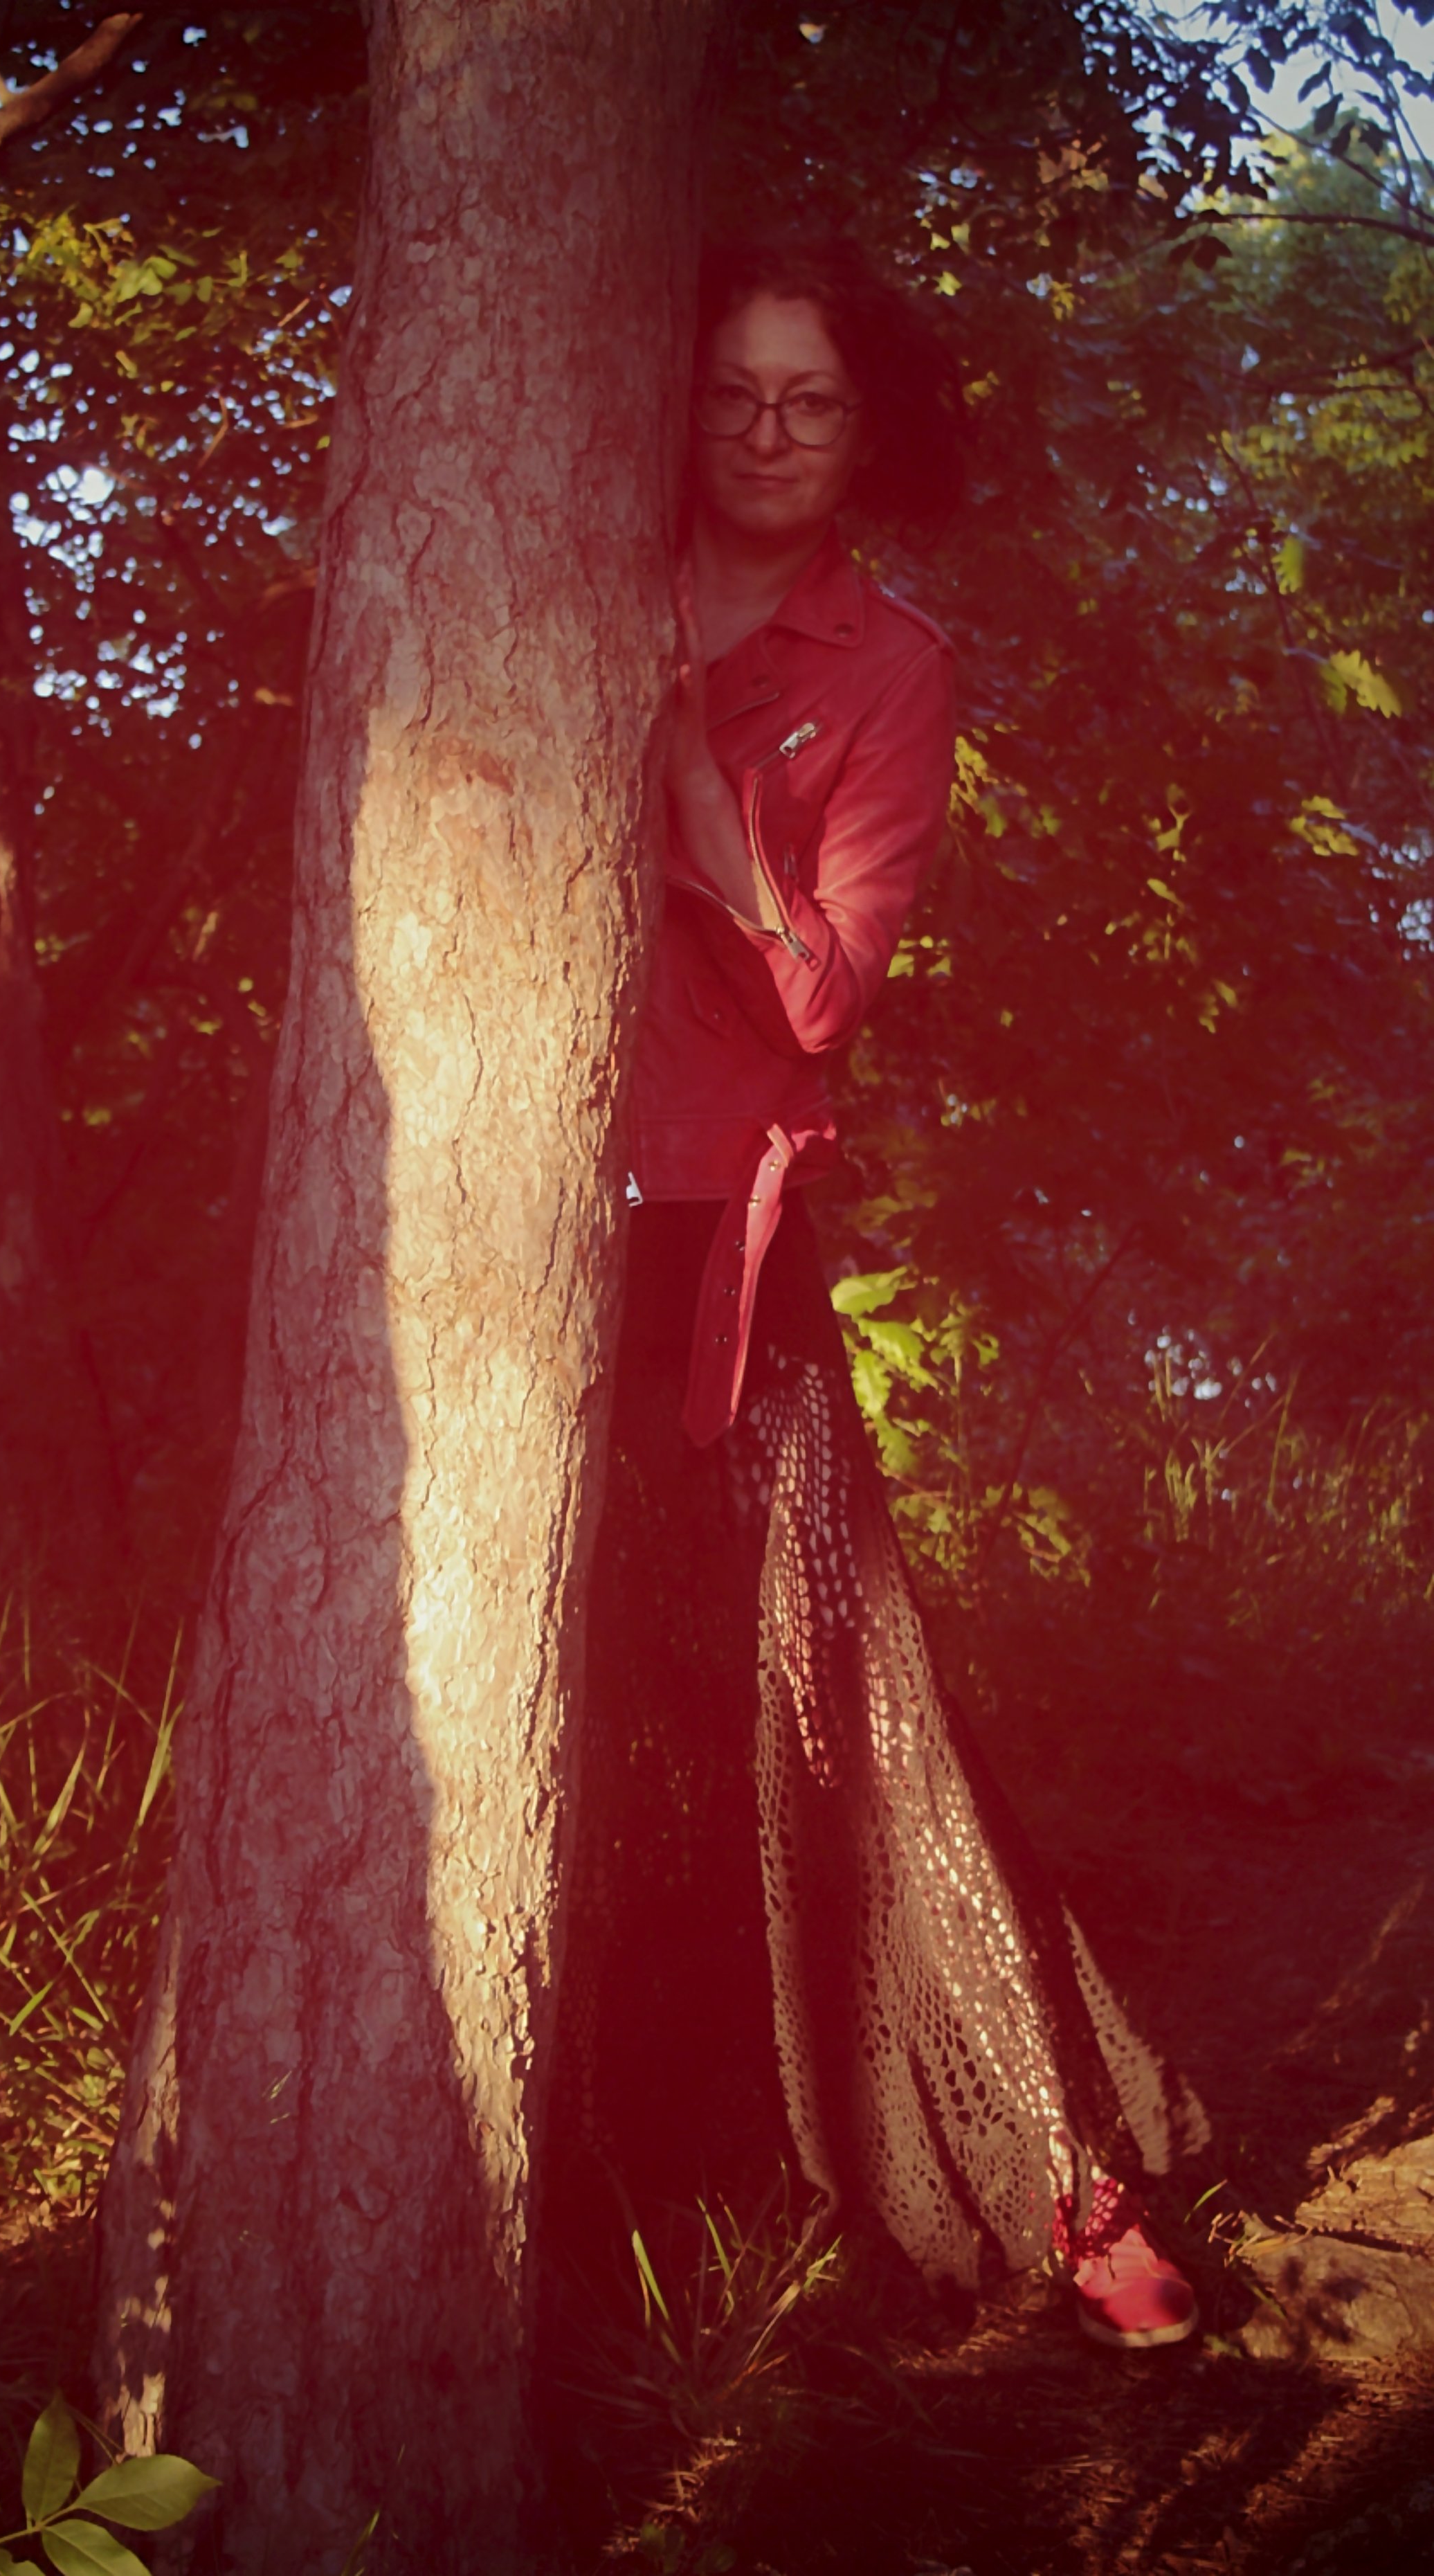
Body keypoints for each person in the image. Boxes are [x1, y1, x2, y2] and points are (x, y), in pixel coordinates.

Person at [550, 238, 1206, 2352]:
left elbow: (823, 993)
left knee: (845, 1685)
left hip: (712, 1227)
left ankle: (1051, 2172)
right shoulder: (549, 552)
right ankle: (596, 2183)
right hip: (496, 1221)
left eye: (808, 398)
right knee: (565, 1710)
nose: (761, 429)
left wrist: (677, 776)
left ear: (866, 425)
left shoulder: (890, 659)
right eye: (731, 388)